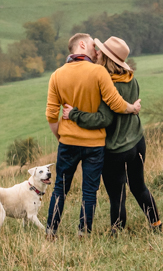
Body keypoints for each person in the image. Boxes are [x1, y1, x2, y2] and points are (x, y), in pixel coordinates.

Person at [45, 32, 141, 237]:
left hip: (68, 142)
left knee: (60, 189)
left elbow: (51, 115)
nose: (96, 51)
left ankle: (51, 231)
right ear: (81, 44)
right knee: (89, 192)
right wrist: (132, 108)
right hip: (94, 144)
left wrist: (61, 138)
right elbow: (115, 104)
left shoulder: (56, 75)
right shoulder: (99, 73)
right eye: (92, 46)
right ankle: (84, 234)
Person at [62, 36, 160, 233]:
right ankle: (156, 224)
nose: (96, 52)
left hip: (115, 149)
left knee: (117, 194)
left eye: (100, 51)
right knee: (139, 187)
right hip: (137, 141)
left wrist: (74, 114)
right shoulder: (130, 76)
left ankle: (117, 232)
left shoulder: (105, 84)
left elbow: (103, 119)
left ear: (106, 58)